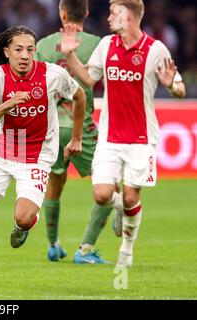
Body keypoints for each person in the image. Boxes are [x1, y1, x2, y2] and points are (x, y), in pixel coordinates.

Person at [0, 25, 86, 285]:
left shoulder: (52, 75)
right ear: (7, 51)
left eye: (30, 50)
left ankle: (24, 226)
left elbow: (79, 96)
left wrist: (77, 138)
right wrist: (7, 104)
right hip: (0, 153)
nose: (25, 55)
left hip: (36, 156)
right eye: (18, 49)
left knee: (23, 218)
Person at [60, 0, 186, 267]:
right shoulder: (106, 45)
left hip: (142, 138)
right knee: (102, 195)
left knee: (131, 196)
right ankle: (119, 207)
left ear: (127, 16)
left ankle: (127, 249)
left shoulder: (155, 50)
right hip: (109, 136)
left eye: (113, 12)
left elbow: (179, 89)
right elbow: (89, 79)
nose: (108, 18)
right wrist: (70, 55)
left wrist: (171, 87)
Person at [35, 0, 124, 264]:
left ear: (61, 13)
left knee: (55, 183)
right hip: (82, 128)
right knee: (109, 186)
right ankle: (85, 249)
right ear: (86, 12)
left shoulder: (42, 45)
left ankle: (53, 245)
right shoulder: (99, 44)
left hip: (51, 127)